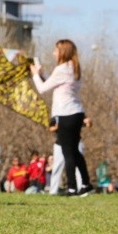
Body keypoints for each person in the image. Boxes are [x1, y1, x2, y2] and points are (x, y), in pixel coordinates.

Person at [31, 39, 94, 196]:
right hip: (77, 113)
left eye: (56, 50)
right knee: (75, 151)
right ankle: (86, 183)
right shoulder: (74, 68)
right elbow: (55, 82)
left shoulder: (61, 69)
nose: (54, 53)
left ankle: (72, 188)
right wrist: (42, 74)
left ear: (63, 52)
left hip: (66, 114)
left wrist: (34, 76)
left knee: (68, 153)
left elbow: (43, 88)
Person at [47, 117, 85, 195]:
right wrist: (56, 127)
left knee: (78, 166)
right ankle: (53, 191)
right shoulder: (57, 116)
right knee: (57, 166)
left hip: (76, 143)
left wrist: (88, 122)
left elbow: (86, 123)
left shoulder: (76, 112)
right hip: (60, 144)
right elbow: (50, 128)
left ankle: (81, 189)